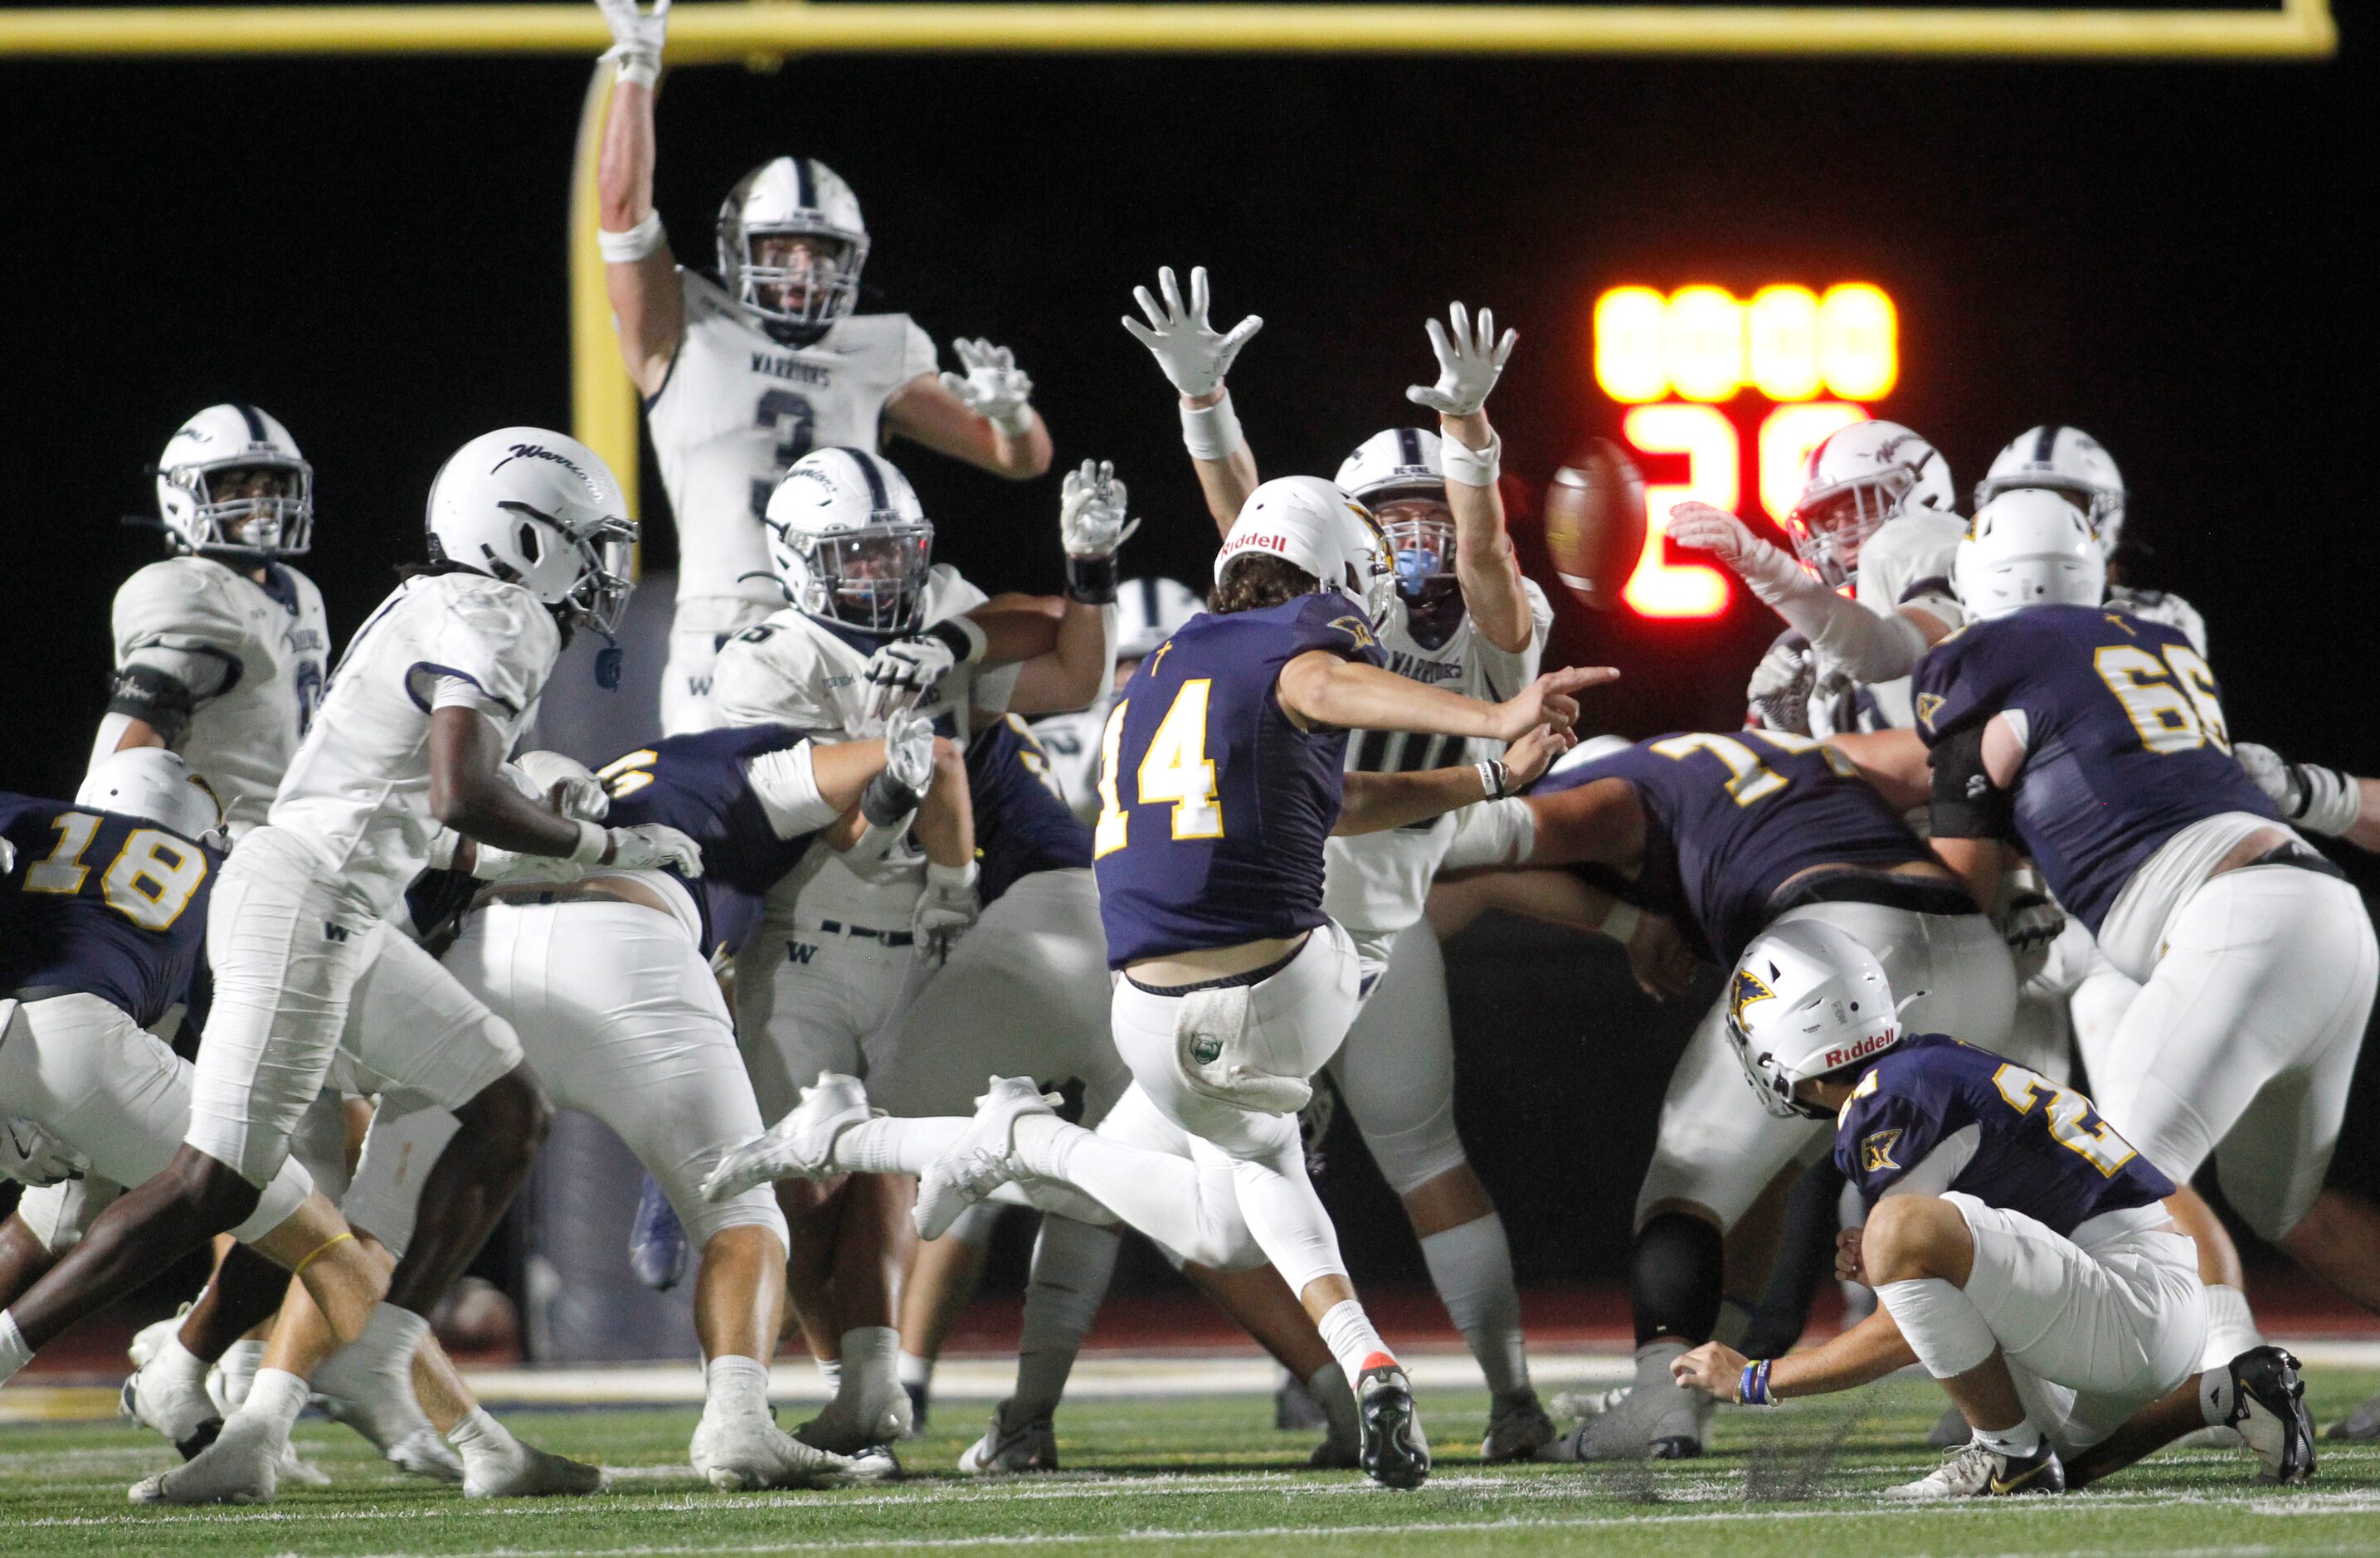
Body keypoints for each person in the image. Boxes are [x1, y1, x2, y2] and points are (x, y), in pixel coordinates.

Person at [710, 475, 1609, 1489]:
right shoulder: (1296, 643)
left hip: (1150, 1003)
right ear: (1332, 574)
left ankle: (1352, 1365)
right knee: (1242, 1150)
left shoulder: (1164, 669)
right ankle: (1029, 1151)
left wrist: (1486, 777)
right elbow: (1318, 686)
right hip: (1277, 982)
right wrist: (1493, 723)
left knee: (1217, 1201)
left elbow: (1337, 791)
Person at [0, 428, 691, 1504]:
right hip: (301, 898)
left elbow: (408, 805)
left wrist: (524, 848)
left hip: (342, 897)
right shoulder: (498, 614)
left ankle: (310, 1358)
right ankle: (20, 1345)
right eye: (587, 542)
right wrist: (607, 847)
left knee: (503, 1103)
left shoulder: (428, 602)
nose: (602, 568)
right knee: (215, 1180)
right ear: (523, 536)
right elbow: (460, 788)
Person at [1127, 267, 1560, 1459]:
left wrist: (1467, 438)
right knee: (1223, 1192)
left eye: (1433, 512)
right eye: (1390, 518)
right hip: (1299, 928)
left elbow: (1484, 570)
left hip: (1328, 936)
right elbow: (1250, 536)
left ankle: (1496, 1394)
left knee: (1230, 1182)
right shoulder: (1314, 617)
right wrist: (1204, 407)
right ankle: (1358, 1390)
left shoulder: (1487, 623)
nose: (1416, 536)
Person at [1836, 488, 2380, 1415]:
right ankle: (2211, 1370)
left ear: (1978, 584)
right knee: (2284, 1206)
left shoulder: (1985, 663)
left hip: (2234, 920)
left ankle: (2230, 1377)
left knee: (2120, 1169)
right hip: (2326, 914)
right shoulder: (2153, 645)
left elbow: (1959, 848)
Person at [1425, 721, 2019, 1461]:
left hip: (1840, 943)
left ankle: (1656, 1402)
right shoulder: (1800, 754)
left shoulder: (1621, 791)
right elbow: (1961, 755)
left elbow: (1473, 842)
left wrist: (1325, 821)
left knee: (1688, 1174)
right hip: (1977, 950)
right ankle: (1704, 1377)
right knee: (1804, 1170)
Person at [701, 445, 1118, 1458]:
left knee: (887, 1168)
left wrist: (1075, 580)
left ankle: (877, 1394)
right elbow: (809, 825)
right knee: (804, 1186)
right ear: (799, 560)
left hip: (928, 942)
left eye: (894, 556)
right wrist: (895, 786)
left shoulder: (932, 604)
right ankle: (839, 1380)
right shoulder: (766, 656)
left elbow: (1069, 663)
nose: (883, 580)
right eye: (856, 558)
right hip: (807, 939)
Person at [1669, 919, 2314, 1497]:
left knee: (1897, 1234)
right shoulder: (1922, 1065)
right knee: (2061, 1456)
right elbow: (1950, 1266)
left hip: (2123, 1304)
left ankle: (2007, 1453)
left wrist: (1758, 1378)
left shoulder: (1886, 1100)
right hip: (2135, 1294)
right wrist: (1910, 1266)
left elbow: (1901, 1322)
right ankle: (2228, 1392)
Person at [591, 0, 1054, 736]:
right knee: (724, 832)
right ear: (741, 251)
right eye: (782, 251)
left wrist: (1010, 415)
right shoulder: (686, 322)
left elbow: (1019, 460)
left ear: (852, 260)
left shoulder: (877, 349)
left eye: (821, 254)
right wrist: (639, 64)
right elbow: (620, 212)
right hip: (725, 629)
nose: (803, 271)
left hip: (853, 629)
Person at [1032, 577, 1204, 825]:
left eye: (1169, 663)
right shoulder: (1054, 747)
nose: (1150, 678)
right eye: (1135, 664)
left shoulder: (1240, 732)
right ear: (1106, 667)